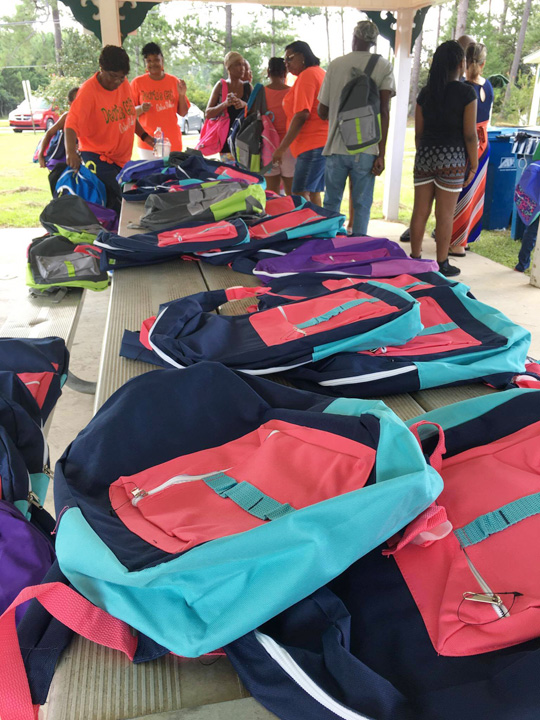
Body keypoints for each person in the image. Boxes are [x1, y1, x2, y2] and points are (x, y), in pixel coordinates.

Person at [317, 20, 395, 236]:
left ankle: (329, 244)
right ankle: (359, 245)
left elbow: (322, 111)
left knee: (331, 203)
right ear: (373, 42)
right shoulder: (384, 66)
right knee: (362, 205)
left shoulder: (336, 65)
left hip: (336, 146)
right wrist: (381, 153)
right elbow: (384, 111)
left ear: (354, 38)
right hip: (367, 148)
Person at [409, 40, 478, 277]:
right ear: (461, 64)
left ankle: (415, 259)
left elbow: (419, 133)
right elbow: (470, 135)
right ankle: (441, 263)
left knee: (420, 210)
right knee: (445, 214)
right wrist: (473, 163)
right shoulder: (467, 93)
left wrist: (424, 153)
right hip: (453, 158)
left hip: (425, 154)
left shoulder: (425, 93)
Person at [64, 45, 152, 214]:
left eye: (121, 77)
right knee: (121, 201)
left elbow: (129, 115)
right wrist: (70, 152)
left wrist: (144, 136)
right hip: (97, 157)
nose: (117, 81)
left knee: (125, 200)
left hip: (120, 160)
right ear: (101, 68)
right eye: (113, 76)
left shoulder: (123, 84)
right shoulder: (88, 92)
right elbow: (71, 124)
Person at [449, 43, 494, 255]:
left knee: (459, 191)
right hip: (484, 145)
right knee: (474, 192)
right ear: (483, 63)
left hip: (465, 143)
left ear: (464, 62)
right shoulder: (488, 86)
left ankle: (457, 243)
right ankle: (465, 238)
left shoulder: (462, 88)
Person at [272, 41, 327, 205]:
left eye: (289, 58)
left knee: (299, 193)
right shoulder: (319, 72)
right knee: (313, 193)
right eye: (284, 61)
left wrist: (281, 148)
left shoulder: (308, 75)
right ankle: (319, 221)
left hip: (312, 145)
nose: (286, 64)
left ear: (302, 56)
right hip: (320, 144)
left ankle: (308, 222)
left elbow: (302, 114)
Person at [131, 41, 190, 160]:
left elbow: (183, 113)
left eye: (156, 60)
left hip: (172, 142)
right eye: (149, 61)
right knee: (151, 172)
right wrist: (141, 108)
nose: (153, 64)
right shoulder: (137, 83)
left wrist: (182, 95)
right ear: (145, 63)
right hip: (148, 144)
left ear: (162, 60)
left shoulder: (174, 81)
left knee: (172, 172)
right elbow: (129, 113)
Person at [205, 51, 252, 162]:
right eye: (238, 64)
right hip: (226, 143)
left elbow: (256, 112)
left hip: (245, 142)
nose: (242, 68)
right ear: (229, 67)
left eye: (243, 64)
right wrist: (225, 104)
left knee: (244, 173)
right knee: (229, 172)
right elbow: (208, 113)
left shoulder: (247, 87)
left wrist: (244, 104)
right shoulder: (220, 86)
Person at [261, 57, 295, 195]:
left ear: (268, 72)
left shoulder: (260, 93)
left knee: (271, 193)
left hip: (267, 146)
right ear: (285, 72)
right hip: (289, 146)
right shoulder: (293, 92)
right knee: (292, 194)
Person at [38, 86, 79, 196]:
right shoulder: (67, 117)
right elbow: (49, 133)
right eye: (77, 100)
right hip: (63, 163)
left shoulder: (90, 116)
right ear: (70, 104)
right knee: (62, 194)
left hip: (82, 163)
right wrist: (41, 155)